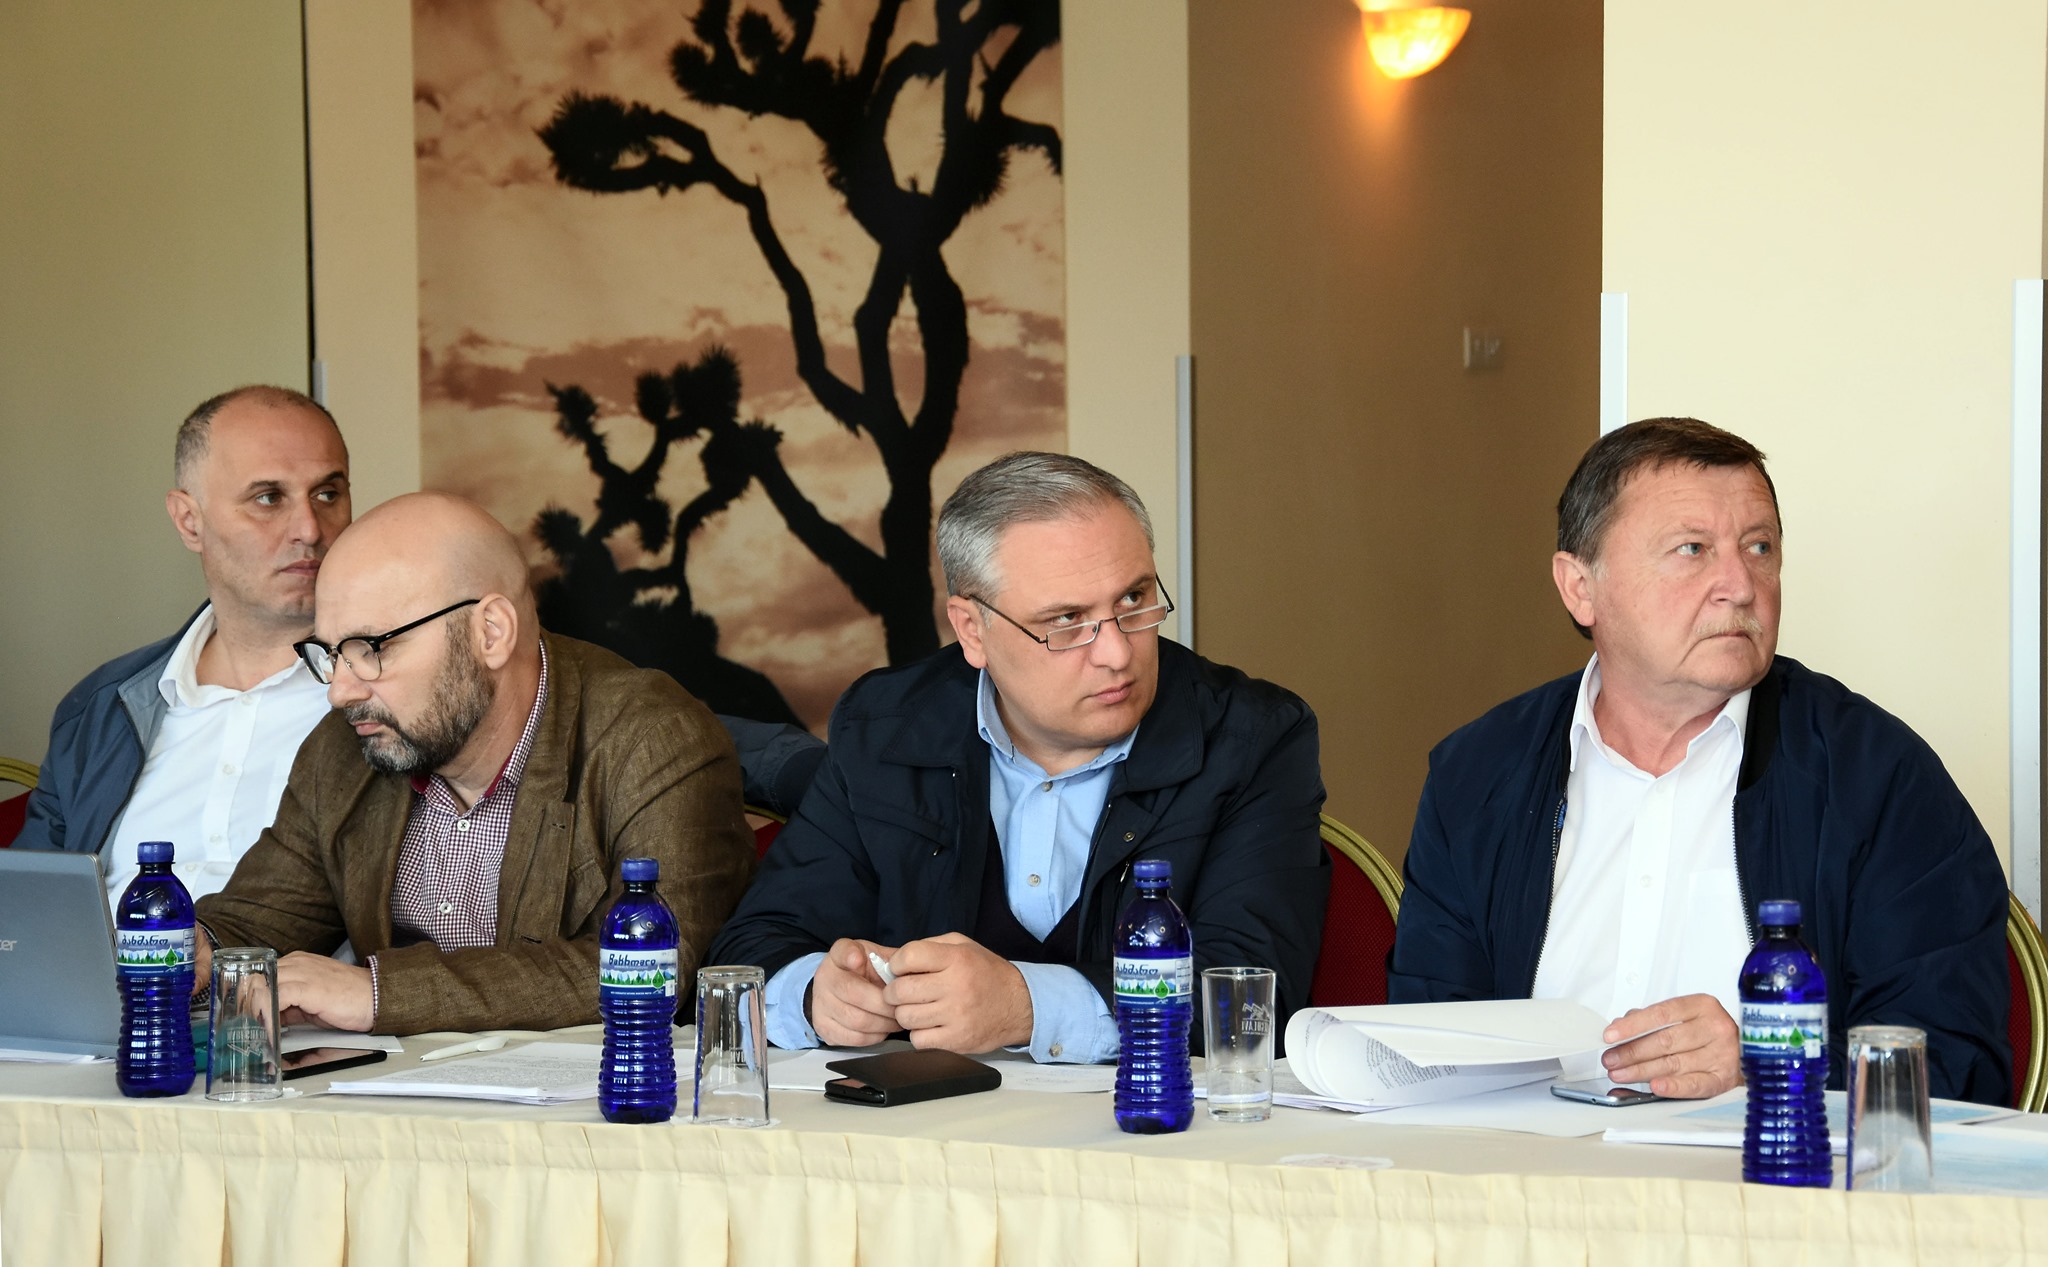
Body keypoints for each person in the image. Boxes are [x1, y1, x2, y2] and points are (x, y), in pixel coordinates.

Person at [1389, 417, 2010, 1104]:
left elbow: (1955, 1066)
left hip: (1769, 1168)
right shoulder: (1476, 777)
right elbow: (1422, 1050)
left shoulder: (1878, 778)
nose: (1740, 585)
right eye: (1692, 549)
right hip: (1529, 1168)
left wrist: (1766, 1062)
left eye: (1760, 547)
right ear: (1580, 587)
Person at [707, 452, 1328, 1063]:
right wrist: (815, 994)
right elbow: (753, 948)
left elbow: (1253, 1000)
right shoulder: (883, 725)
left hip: (1149, 1117)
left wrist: (1029, 1006)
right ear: (972, 630)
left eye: (1133, 599)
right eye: (1067, 620)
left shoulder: (1254, 736)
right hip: (931, 1121)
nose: (1117, 653)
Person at [192, 492, 757, 1035]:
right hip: (396, 1090)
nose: (340, 691)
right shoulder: (343, 750)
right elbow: (258, 920)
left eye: (371, 648)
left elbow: (651, 971)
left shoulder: (653, 739)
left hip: (602, 1094)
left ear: (491, 632)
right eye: (334, 653)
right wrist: (194, 947)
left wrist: (380, 994)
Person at [16, 386, 351, 903]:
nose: (309, 529)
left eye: (327, 494)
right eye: (268, 498)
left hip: (297, 958)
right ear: (189, 521)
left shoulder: (399, 694)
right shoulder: (100, 708)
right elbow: (30, 909)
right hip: (112, 959)